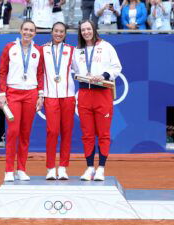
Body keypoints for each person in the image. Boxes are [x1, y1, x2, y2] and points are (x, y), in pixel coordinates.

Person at [72, 20, 122, 181]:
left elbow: (116, 67)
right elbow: (72, 69)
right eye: (83, 30)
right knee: (87, 134)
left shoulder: (106, 46)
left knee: (103, 133)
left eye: (88, 29)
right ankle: (89, 168)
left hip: (102, 94)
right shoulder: (77, 51)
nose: (86, 32)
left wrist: (103, 76)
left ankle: (101, 168)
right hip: (84, 94)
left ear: (94, 29)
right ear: (80, 32)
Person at [0, 20, 44, 182]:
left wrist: (41, 95)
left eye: (31, 30)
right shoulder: (9, 48)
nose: (28, 32)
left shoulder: (38, 51)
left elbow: (40, 74)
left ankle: (21, 169)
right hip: (13, 93)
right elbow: (2, 72)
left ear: (35, 33)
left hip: (31, 94)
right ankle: (9, 170)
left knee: (25, 133)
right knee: (13, 132)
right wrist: (3, 93)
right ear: (20, 30)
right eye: (25, 29)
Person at [42, 22, 75, 180]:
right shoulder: (43, 49)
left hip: (68, 96)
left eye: (62, 32)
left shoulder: (71, 50)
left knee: (67, 132)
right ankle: (50, 167)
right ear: (51, 32)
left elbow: (81, 70)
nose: (58, 34)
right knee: (52, 132)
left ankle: (62, 167)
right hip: (50, 96)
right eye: (56, 31)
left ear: (65, 34)